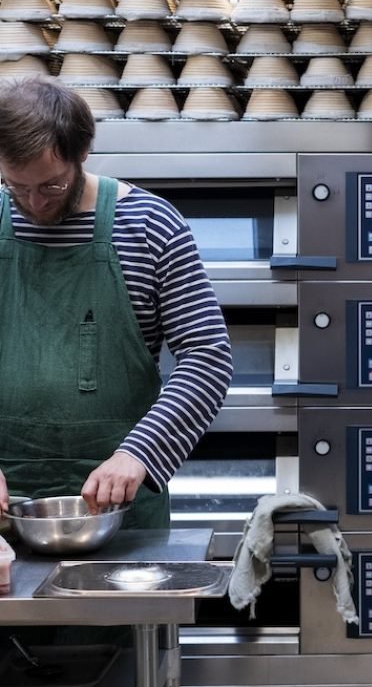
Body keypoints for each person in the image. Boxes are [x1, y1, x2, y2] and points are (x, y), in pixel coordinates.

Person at [0, 76, 233, 528]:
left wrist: (139, 452)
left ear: (82, 153)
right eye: (15, 186)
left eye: (49, 186)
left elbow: (207, 358)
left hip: (116, 506)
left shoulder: (148, 225)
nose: (33, 202)